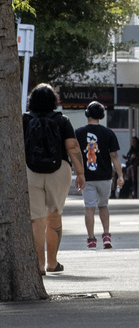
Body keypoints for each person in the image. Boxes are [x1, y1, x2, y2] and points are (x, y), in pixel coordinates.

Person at [22, 83, 86, 273]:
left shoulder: (24, 119)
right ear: (54, 101)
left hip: (30, 171)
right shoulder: (62, 120)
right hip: (59, 170)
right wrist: (80, 173)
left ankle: (39, 266)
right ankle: (52, 262)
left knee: (37, 220)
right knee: (54, 216)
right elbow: (73, 146)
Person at [76, 102, 124, 250]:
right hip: (105, 176)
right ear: (102, 116)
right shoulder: (108, 133)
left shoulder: (78, 133)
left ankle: (91, 239)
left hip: (87, 177)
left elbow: (75, 154)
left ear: (87, 114)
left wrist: (78, 173)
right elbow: (114, 156)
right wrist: (120, 176)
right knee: (103, 205)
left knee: (89, 208)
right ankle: (106, 235)